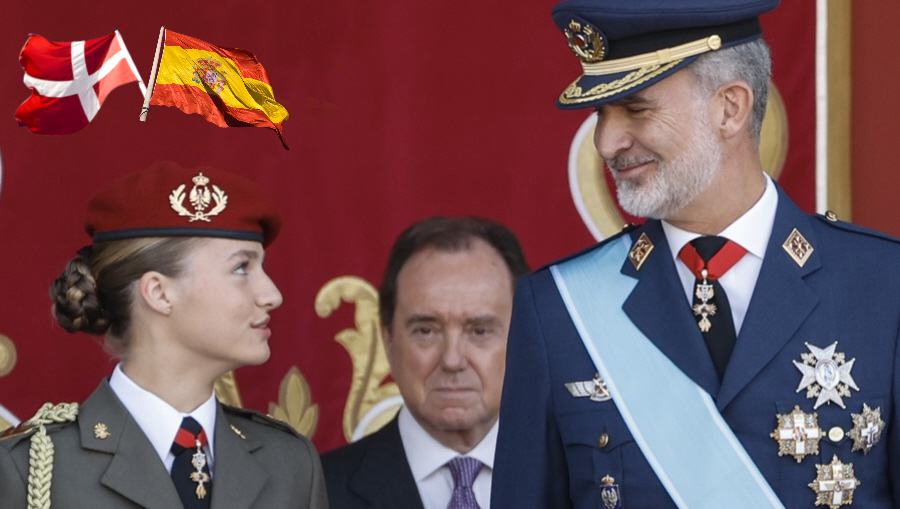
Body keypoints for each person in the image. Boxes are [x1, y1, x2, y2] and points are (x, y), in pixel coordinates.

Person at [492, 0, 900, 508]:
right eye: (601, 113)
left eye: (635, 108)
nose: (606, 142)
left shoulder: (884, 287)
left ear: (730, 107)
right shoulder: (557, 308)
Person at [0, 162, 328, 508]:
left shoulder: (289, 463)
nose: (272, 295)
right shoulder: (30, 467)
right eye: (241, 268)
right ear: (159, 293)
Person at [322, 216, 529, 509]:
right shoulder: (316, 493)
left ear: (523, 338)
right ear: (388, 340)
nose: (452, 360)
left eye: (480, 331)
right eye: (426, 331)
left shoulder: (576, 484)